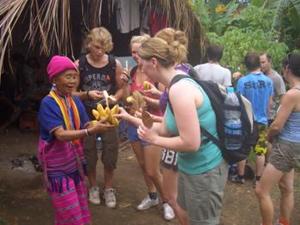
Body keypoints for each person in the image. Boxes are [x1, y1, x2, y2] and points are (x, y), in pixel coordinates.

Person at [127, 37, 228, 225]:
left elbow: (191, 142)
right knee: (189, 215)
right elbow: (166, 127)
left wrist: (154, 140)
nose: (142, 69)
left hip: (205, 170)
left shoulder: (180, 89)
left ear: (154, 62)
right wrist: (134, 120)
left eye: (143, 65)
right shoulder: (174, 85)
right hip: (190, 167)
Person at [38, 55, 112, 225]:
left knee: (78, 210)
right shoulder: (48, 103)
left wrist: (101, 123)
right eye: (68, 76)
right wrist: (88, 131)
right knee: (70, 214)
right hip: (58, 170)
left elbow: (86, 123)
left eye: (75, 76)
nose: (73, 81)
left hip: (73, 165)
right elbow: (61, 135)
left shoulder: (75, 100)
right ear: (55, 79)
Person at [125, 34, 175, 220]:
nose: (136, 56)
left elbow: (163, 103)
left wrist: (142, 99)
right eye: (133, 52)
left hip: (153, 124)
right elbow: (128, 96)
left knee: (153, 170)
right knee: (143, 165)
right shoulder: (131, 72)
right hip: (132, 122)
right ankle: (153, 195)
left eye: (139, 52)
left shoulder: (156, 73)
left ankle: (167, 201)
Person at [75, 27, 126, 208]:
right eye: (96, 47)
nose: (99, 52)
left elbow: (121, 88)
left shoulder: (114, 64)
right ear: (89, 44)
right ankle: (94, 187)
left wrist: (115, 98)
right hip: (86, 116)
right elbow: (70, 92)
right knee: (88, 153)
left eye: (103, 48)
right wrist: (87, 94)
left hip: (109, 114)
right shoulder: (79, 64)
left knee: (110, 152)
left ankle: (109, 188)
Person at [255, 53, 300, 225]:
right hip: (296, 146)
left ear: (287, 69)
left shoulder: (292, 95)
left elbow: (276, 126)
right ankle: (283, 222)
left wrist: (267, 137)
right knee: (286, 188)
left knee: (261, 190)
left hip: (286, 146)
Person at [236, 52, 273, 186]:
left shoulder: (242, 81)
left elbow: (238, 102)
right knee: (260, 151)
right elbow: (270, 103)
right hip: (262, 122)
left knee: (243, 150)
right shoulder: (269, 81)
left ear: (246, 65)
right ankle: (258, 179)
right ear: (259, 64)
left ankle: (240, 177)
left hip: (247, 123)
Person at [260, 53, 286, 125]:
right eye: (259, 63)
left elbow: (283, 98)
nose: (261, 65)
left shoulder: (276, 77)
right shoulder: (258, 76)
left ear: (269, 62)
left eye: (263, 62)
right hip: (258, 117)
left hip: (271, 118)